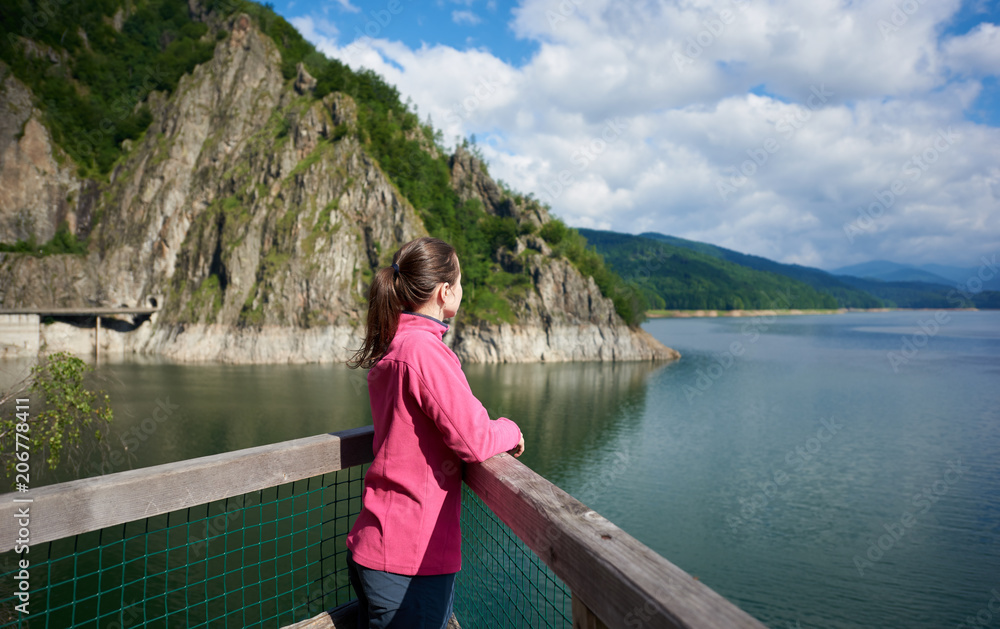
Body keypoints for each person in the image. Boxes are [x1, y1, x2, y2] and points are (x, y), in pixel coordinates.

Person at [345, 236, 525, 629]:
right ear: (445, 292)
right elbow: (474, 439)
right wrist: (510, 429)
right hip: (408, 561)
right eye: (460, 282)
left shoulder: (397, 345)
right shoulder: (423, 352)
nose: (462, 291)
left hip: (380, 548)